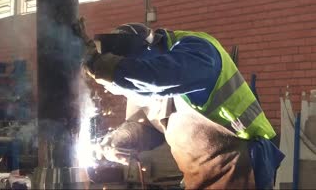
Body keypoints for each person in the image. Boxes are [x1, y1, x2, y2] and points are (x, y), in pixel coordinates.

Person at [76, 21, 284, 189]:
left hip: (242, 165)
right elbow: (149, 128)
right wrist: (116, 141)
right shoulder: (156, 83)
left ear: (147, 53)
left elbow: (156, 76)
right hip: (201, 176)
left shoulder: (198, 51)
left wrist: (100, 65)